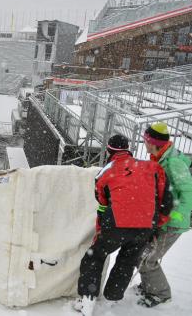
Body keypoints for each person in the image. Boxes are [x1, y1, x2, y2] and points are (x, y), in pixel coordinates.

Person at [75, 135, 172, 316]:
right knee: (126, 262)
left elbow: (102, 205)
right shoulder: (153, 167)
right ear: (128, 149)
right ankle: (112, 300)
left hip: (117, 224)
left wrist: (101, 230)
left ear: (109, 151)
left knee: (94, 257)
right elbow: (166, 201)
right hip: (145, 225)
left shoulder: (105, 172)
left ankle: (87, 300)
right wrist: (155, 225)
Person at [137, 122, 192, 307]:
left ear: (153, 142)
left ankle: (161, 294)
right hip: (161, 219)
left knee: (148, 259)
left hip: (172, 223)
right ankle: (150, 286)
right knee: (142, 254)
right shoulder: (159, 157)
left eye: (146, 140)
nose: (144, 143)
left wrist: (176, 217)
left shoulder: (173, 163)